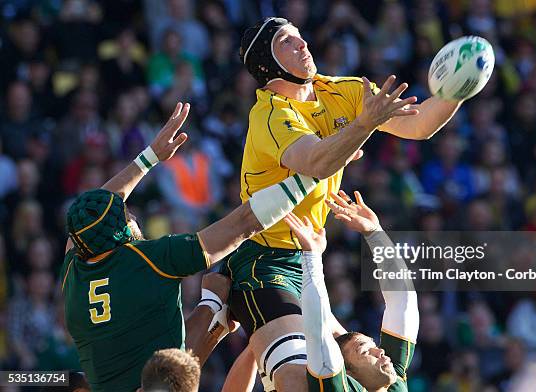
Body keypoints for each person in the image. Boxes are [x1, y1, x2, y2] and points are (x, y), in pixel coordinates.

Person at [226, 16, 462, 391]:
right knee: (297, 378)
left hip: (297, 254)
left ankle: (218, 304)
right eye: (288, 41)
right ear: (267, 64)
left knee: (309, 370)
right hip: (264, 256)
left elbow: (419, 126)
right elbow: (317, 161)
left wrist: (457, 91)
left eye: (301, 37)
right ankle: (219, 299)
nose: (303, 44)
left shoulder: (344, 90)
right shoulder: (271, 114)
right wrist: (364, 125)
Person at [61, 102, 320, 391]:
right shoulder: (147, 259)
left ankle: (213, 310)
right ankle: (213, 309)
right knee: (216, 292)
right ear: (118, 234)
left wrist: (151, 157)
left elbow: (92, 215)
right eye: (126, 216)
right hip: (159, 386)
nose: (132, 214)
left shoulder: (75, 264)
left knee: (212, 301)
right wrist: (318, 169)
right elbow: (243, 223)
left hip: (132, 381)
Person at [285, 189, 419, 391]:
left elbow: (403, 298)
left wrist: (374, 233)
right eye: (364, 351)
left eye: (371, 347)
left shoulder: (392, 378)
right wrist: (310, 257)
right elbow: (319, 335)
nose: (380, 352)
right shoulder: (339, 386)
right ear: (347, 374)